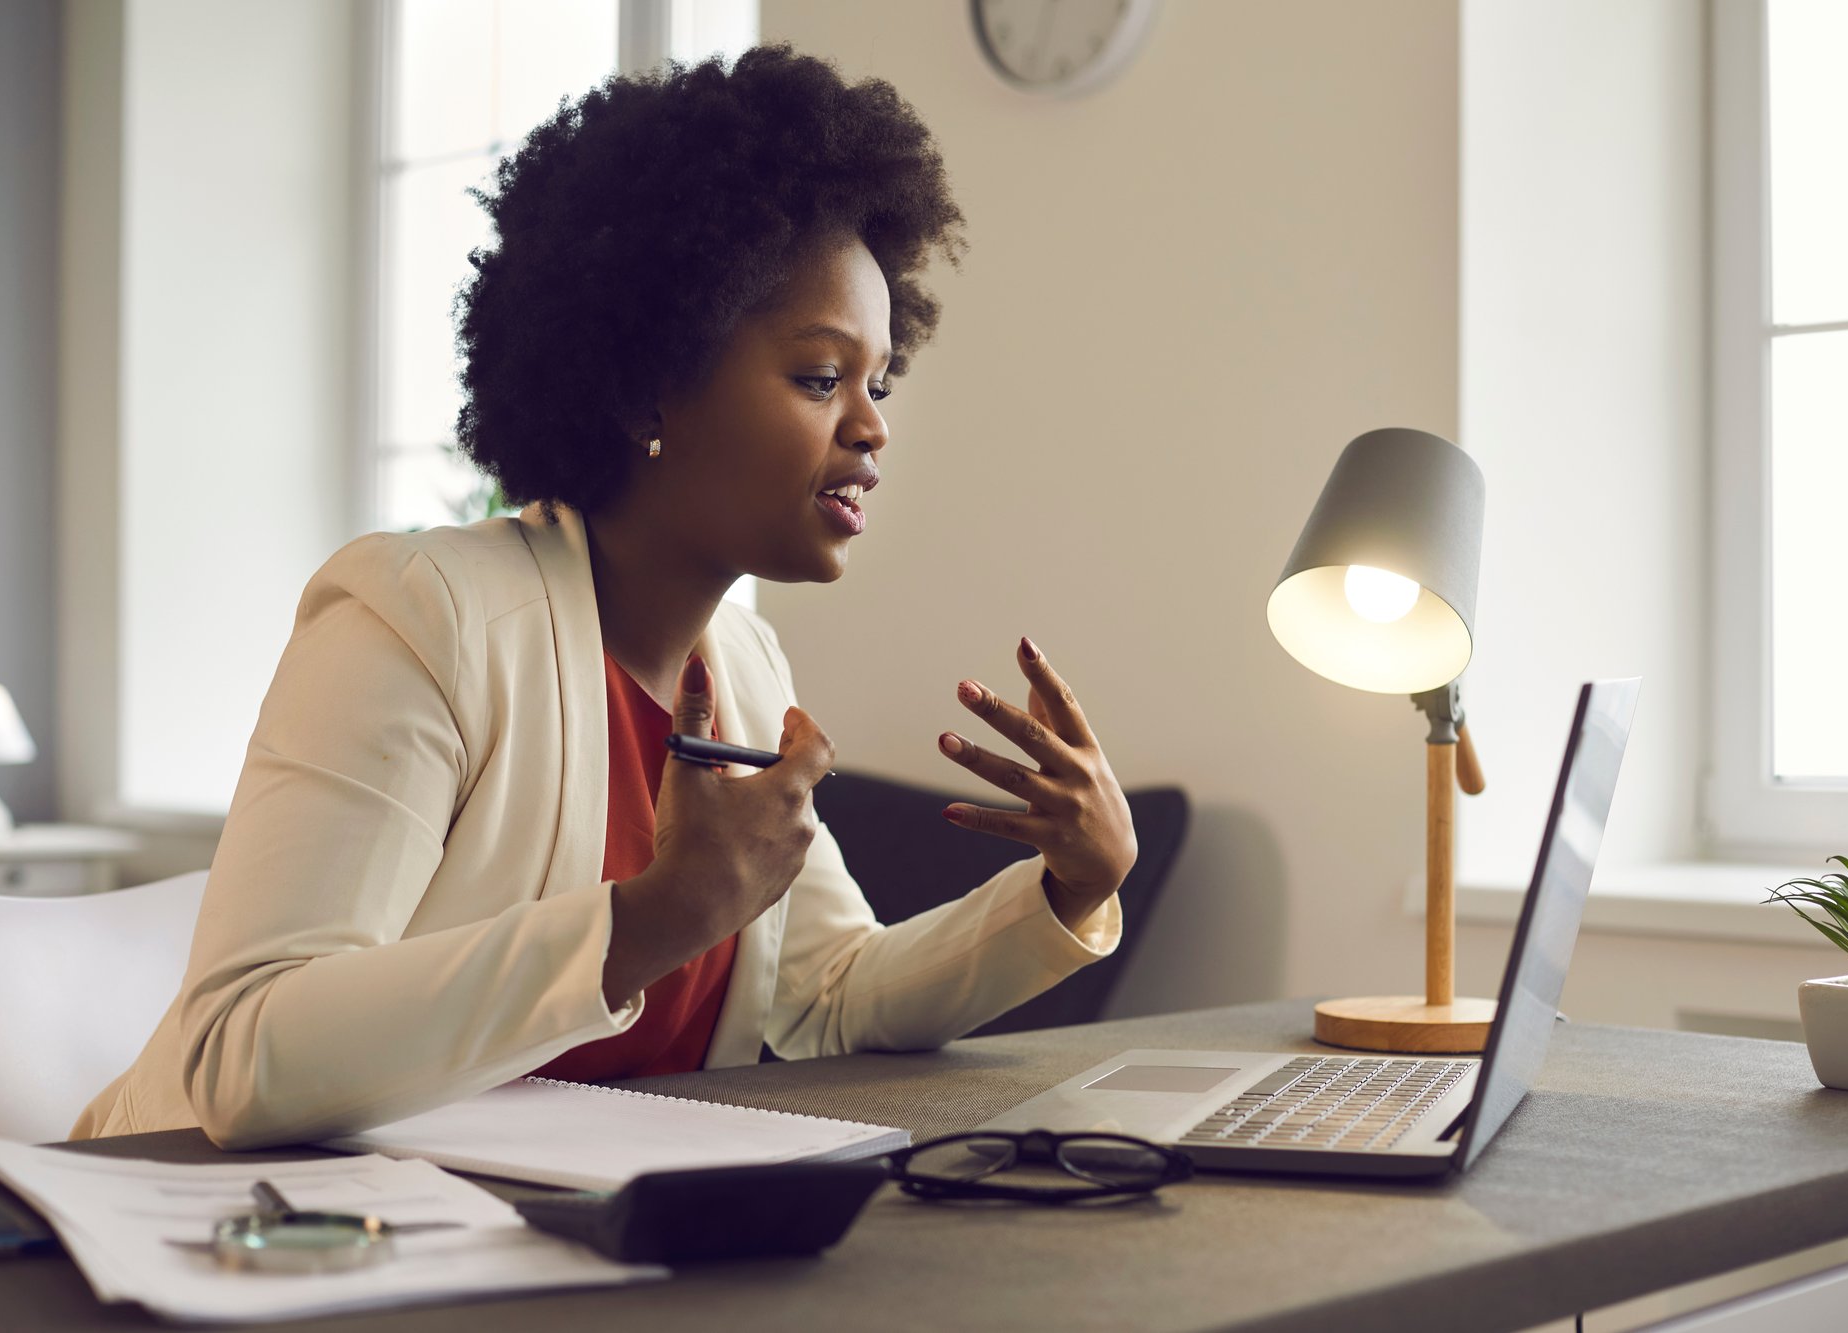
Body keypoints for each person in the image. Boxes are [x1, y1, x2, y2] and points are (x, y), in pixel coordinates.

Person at [73, 45, 1137, 1150]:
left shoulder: (744, 672)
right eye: (821, 378)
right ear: (644, 384)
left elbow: (829, 997)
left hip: (552, 1252)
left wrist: (1068, 885)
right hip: (221, 1244)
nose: (870, 426)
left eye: (879, 382)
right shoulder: (421, 616)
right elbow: (245, 1055)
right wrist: (646, 923)